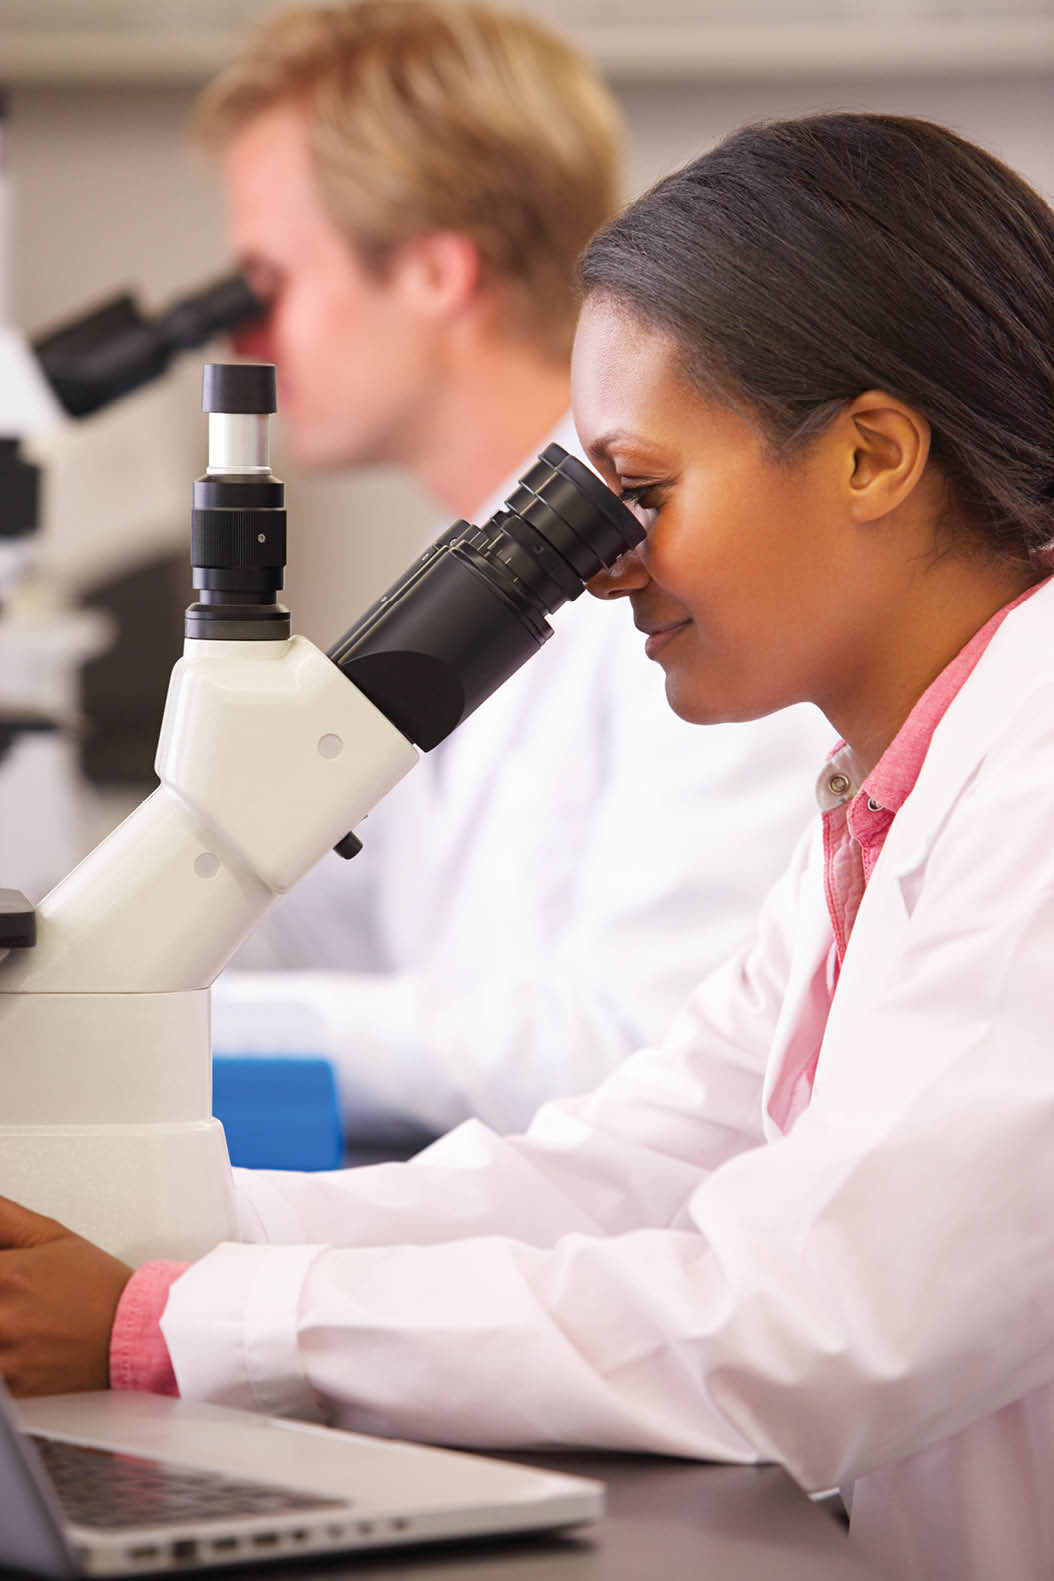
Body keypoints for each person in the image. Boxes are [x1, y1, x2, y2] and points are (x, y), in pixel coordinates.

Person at [4, 110, 1054, 1581]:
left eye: (644, 488)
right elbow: (626, 1163)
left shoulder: (1034, 783)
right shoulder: (887, 792)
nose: (607, 559)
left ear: (872, 453)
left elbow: (809, 1327)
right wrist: (143, 1235)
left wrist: (173, 1321)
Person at [194, 0, 831, 1138]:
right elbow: (304, 908)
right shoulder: (469, 562)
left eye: (264, 284)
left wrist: (165, 1019)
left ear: (435, 272)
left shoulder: (687, 587)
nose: (244, 339)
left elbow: (640, 1045)